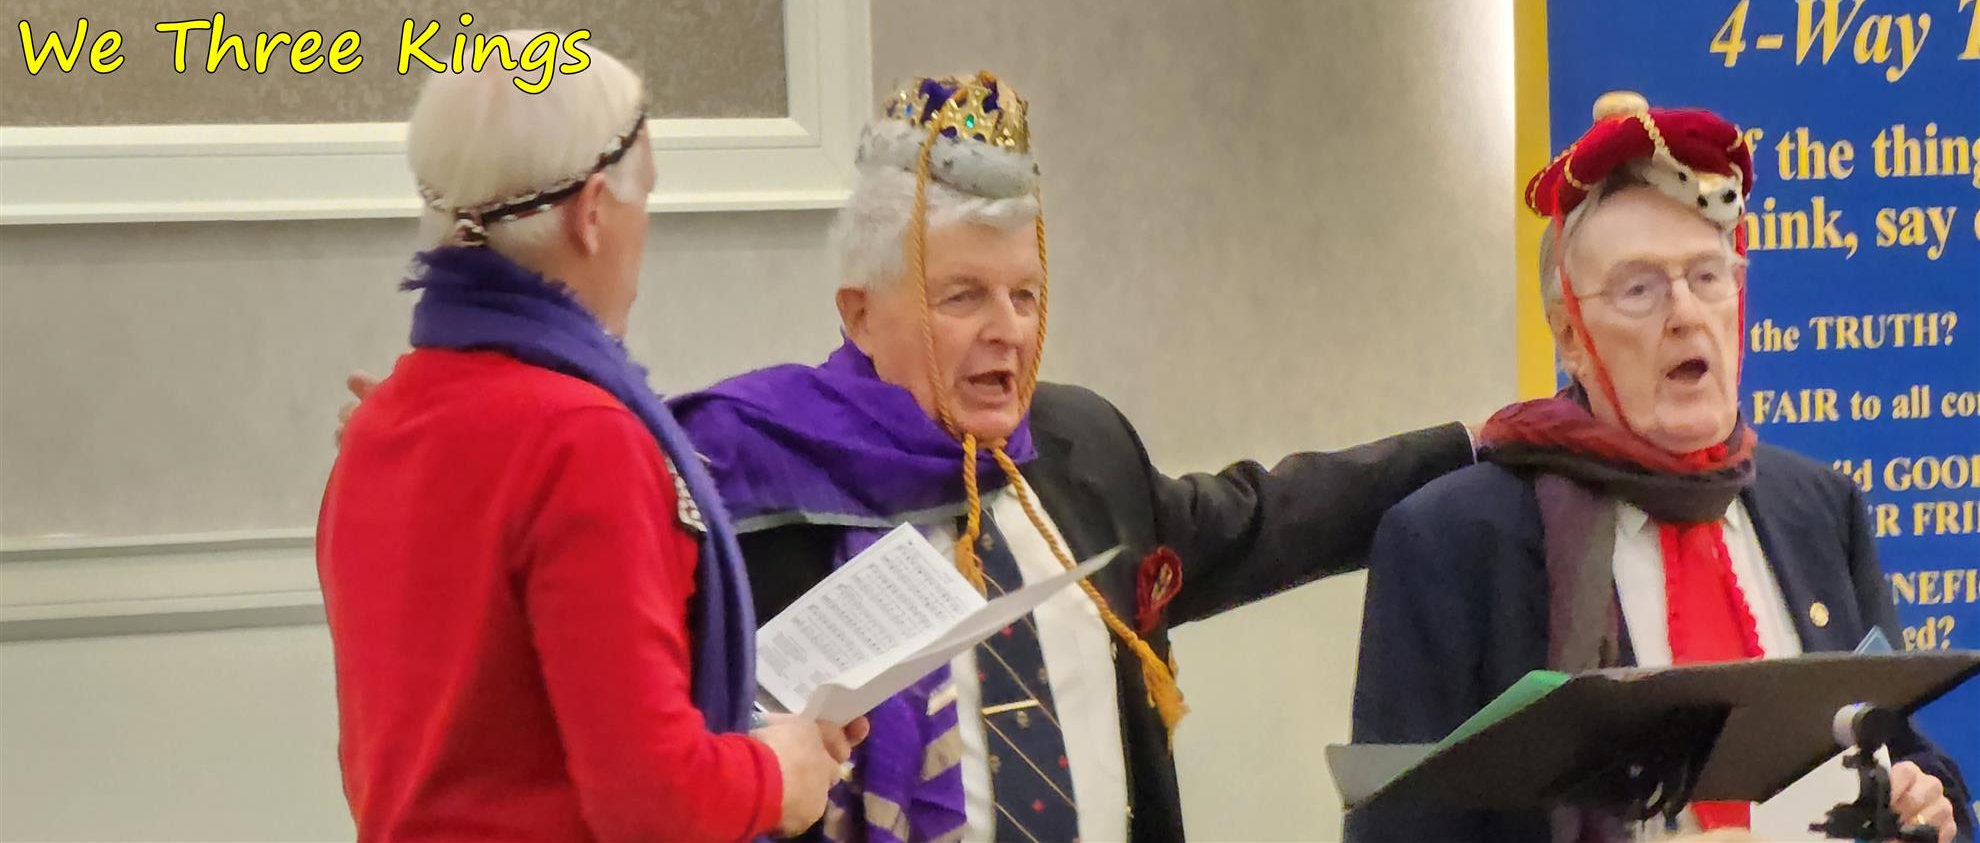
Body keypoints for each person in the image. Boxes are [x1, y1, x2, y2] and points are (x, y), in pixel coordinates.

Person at [343, 70, 1480, 842]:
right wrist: (456, 447)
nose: (1008, 332)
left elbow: (1257, 519)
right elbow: (597, 736)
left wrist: (1473, 449)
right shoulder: (734, 475)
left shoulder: (1079, 445)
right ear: (859, 311)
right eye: (963, 297)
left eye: (1026, 295)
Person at [1347, 92, 1973, 843]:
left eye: (1708, 276)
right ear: (1570, 337)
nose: (1685, 313)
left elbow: (1900, 746)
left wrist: (1928, 801)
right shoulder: (1451, 543)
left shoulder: (1819, 506)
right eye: (1639, 288)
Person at [317, 35, 860, 842]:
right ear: (595, 212)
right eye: (648, 199)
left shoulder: (381, 424)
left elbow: (489, 749)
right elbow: (652, 804)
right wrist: (780, 774)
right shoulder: (584, 442)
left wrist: (752, 744)